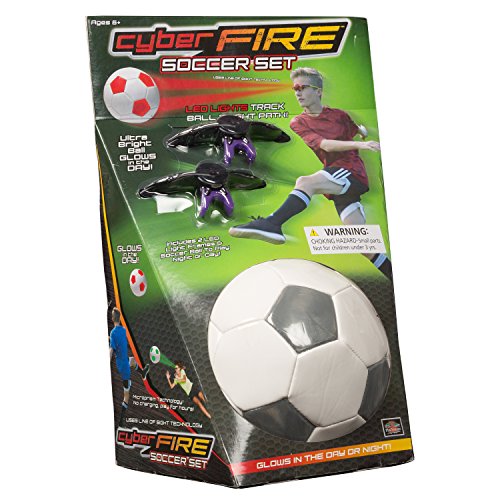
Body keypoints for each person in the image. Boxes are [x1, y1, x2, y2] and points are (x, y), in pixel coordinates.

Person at [229, 67, 392, 280]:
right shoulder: (299, 122)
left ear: (318, 91)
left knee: (305, 182)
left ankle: (273, 223)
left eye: (302, 87)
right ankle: (394, 276)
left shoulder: (340, 115)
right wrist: (360, 143)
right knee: (361, 243)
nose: (297, 92)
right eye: (295, 89)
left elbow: (355, 129)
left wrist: (362, 133)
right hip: (337, 179)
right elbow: (326, 145)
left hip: (351, 171)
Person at [109, 307, 149, 427]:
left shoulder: (113, 333)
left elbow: (112, 349)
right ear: (120, 318)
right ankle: (121, 421)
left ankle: (142, 373)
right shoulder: (123, 330)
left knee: (132, 360)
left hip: (121, 363)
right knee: (126, 396)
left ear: (112, 318)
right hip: (124, 368)